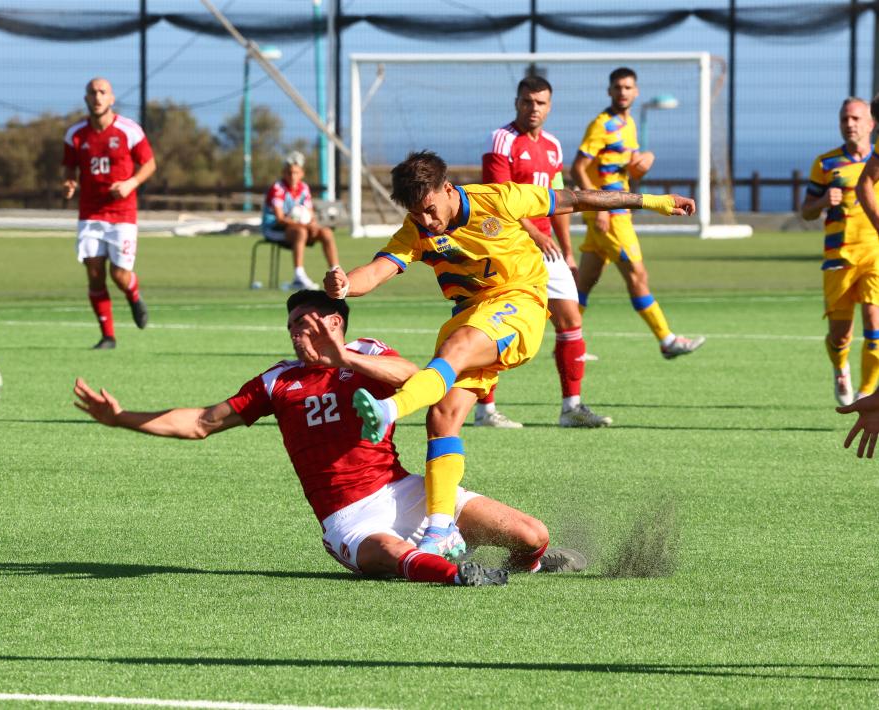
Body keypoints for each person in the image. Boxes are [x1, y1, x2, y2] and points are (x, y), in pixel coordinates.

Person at [73, 290, 586, 585]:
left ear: (336, 323)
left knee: (531, 536)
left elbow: (419, 379)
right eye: (292, 325)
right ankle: (459, 575)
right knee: (388, 554)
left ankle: (528, 567)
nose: (298, 333)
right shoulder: (277, 382)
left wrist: (345, 357)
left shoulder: (365, 353)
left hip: (407, 492)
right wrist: (121, 418)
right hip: (348, 517)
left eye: (307, 322)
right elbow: (202, 422)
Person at [323, 150, 693, 559]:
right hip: (473, 315)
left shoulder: (498, 198)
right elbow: (377, 270)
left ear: (448, 189)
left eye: (430, 210)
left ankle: (390, 410)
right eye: (417, 213)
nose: (426, 221)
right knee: (442, 417)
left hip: (520, 304)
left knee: (457, 345)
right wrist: (343, 285)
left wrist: (653, 201)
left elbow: (577, 198)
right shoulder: (416, 230)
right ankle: (440, 531)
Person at [476, 74, 612, 429]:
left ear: (549, 107)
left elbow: (558, 202)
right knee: (497, 325)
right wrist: (535, 232)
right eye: (526, 102)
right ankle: (485, 411)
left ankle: (571, 408)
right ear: (516, 102)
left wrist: (567, 251)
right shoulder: (502, 140)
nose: (532, 109)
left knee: (570, 320)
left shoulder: (552, 145)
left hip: (547, 246)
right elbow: (498, 198)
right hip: (509, 245)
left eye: (540, 103)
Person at [571, 67, 705, 360]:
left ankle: (567, 343)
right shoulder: (601, 125)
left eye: (628, 87)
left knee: (585, 282)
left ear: (636, 91)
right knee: (637, 275)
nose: (623, 92)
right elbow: (578, 167)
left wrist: (645, 160)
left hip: (613, 213)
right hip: (610, 215)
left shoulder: (628, 124)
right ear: (609, 91)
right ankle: (666, 339)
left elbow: (626, 168)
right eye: (618, 87)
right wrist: (597, 206)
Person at [63, 77, 156, 350]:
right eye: (92, 92)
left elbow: (149, 164)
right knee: (94, 272)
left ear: (111, 98)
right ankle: (108, 336)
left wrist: (130, 183)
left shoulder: (129, 131)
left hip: (122, 213)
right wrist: (69, 183)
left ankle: (133, 294)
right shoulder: (75, 135)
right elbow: (69, 168)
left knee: (119, 274)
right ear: (86, 99)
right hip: (90, 213)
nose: (97, 97)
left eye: (102, 92)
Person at [800, 97, 879, 405]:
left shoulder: (877, 159)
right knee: (840, 335)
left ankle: (866, 392)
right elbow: (805, 211)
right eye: (845, 119)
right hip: (838, 257)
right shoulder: (826, 163)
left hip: (874, 253)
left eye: (856, 119)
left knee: (875, 325)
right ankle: (840, 369)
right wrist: (821, 203)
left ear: (871, 123)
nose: (850, 124)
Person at [262, 152, 340, 290]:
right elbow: (280, 219)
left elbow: (309, 212)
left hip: (300, 227)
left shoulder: (304, 188)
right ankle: (298, 277)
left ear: (302, 173)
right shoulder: (278, 188)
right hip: (274, 229)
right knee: (301, 232)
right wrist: (305, 225)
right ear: (284, 173)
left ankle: (337, 274)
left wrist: (313, 224)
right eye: (289, 173)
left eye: (296, 173)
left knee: (326, 232)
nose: (292, 176)